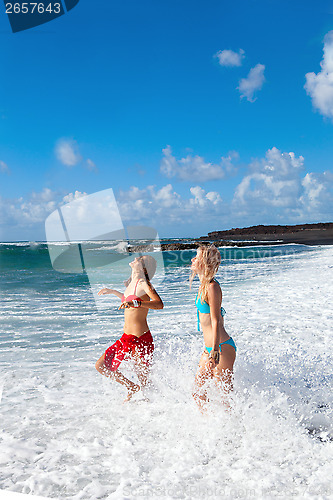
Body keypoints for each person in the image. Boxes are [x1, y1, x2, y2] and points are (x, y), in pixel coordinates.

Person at [95, 255, 163, 402]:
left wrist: (137, 303)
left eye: (140, 258)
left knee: (144, 380)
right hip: (126, 338)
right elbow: (129, 301)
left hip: (141, 338)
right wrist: (113, 292)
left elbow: (159, 304)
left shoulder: (145, 284)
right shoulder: (132, 283)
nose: (136, 257)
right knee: (101, 366)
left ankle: (154, 405)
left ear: (143, 268)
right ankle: (131, 386)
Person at [190, 245, 236, 411]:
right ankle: (211, 427)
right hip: (210, 348)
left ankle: (239, 432)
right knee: (198, 392)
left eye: (196, 257)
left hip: (221, 348)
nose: (192, 260)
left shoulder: (212, 286)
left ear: (205, 262)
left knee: (225, 398)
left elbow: (216, 321)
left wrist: (214, 352)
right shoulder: (203, 285)